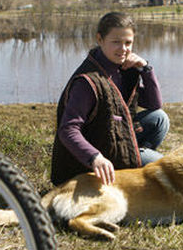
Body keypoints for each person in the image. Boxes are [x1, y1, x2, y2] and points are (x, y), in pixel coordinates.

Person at [50, 12, 169, 186]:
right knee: (164, 167)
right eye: (116, 42)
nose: (123, 49)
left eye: (128, 43)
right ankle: (128, 170)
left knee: (159, 118)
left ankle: (132, 164)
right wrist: (94, 157)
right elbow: (68, 130)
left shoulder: (125, 69)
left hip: (111, 138)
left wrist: (146, 69)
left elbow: (154, 103)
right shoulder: (87, 81)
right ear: (100, 39)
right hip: (87, 162)